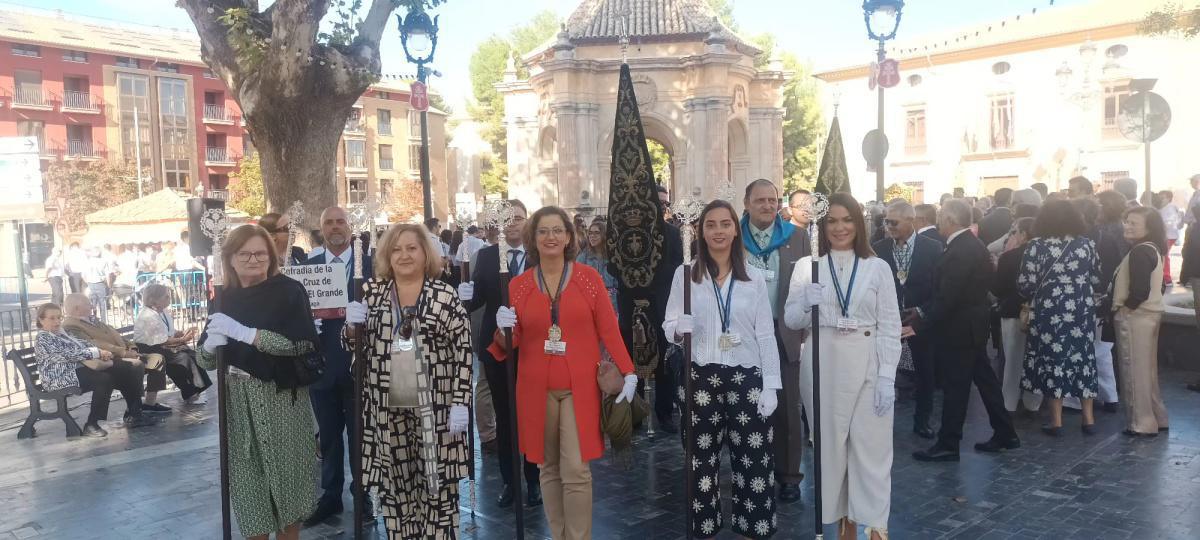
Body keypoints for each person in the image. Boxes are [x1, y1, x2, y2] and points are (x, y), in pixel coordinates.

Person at [490, 205, 638, 540]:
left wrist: (628, 371)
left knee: (575, 469)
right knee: (548, 467)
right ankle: (558, 535)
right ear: (533, 238)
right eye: (543, 231)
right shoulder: (519, 285)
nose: (550, 237)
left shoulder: (588, 279)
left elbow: (609, 328)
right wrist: (502, 329)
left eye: (557, 230)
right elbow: (506, 344)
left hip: (579, 385)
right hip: (535, 387)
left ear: (569, 236)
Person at [342, 223, 473, 538]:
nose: (404, 255)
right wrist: (349, 327)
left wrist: (461, 402)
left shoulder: (443, 294)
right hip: (386, 407)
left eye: (411, 248)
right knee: (397, 489)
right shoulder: (371, 293)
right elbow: (352, 346)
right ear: (387, 255)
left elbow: (464, 349)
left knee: (436, 486)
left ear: (425, 252)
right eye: (396, 249)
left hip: (436, 409)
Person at [784, 192, 900, 540]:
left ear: (858, 223)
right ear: (822, 224)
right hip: (823, 360)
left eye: (847, 219)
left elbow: (890, 325)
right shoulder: (808, 267)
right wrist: (807, 301)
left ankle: (876, 526)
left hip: (867, 359)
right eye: (832, 220)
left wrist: (886, 376)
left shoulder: (877, 267)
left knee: (871, 446)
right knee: (830, 448)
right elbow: (791, 320)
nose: (839, 227)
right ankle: (840, 521)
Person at [664, 199, 783, 538]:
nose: (718, 231)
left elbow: (765, 333)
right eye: (711, 224)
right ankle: (704, 528)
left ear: (736, 228)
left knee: (755, 458)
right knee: (701, 460)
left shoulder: (754, 277)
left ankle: (754, 527)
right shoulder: (685, 274)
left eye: (725, 224)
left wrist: (771, 383)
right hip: (700, 375)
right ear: (700, 231)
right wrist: (678, 328)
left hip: (747, 376)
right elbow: (669, 323)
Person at [198, 224, 322, 540]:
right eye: (245, 253)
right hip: (237, 402)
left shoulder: (289, 291)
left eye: (260, 253)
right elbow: (206, 360)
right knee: (249, 487)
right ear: (231, 258)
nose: (253, 260)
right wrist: (210, 345)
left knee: (287, 487)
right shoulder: (223, 298)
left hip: (280, 398)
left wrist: (248, 335)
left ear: (270, 256)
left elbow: (301, 343)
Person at [910, 199, 1018, 461]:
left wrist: (920, 317)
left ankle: (949, 443)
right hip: (968, 326)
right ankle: (1005, 432)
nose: (938, 221)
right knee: (985, 381)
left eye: (941, 217)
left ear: (950, 220)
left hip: (960, 328)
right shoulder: (966, 244)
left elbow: (950, 295)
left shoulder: (962, 248)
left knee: (957, 387)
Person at [457, 200, 542, 507]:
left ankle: (534, 481)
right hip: (497, 346)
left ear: (527, 221)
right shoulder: (488, 255)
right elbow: (476, 298)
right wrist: (464, 294)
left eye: (518, 218)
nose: (513, 224)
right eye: (507, 219)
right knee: (505, 416)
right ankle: (510, 481)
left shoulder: (539, 254)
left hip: (532, 346)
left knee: (530, 415)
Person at [740, 178, 809, 503]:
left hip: (784, 334)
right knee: (743, 407)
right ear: (746, 204)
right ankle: (748, 470)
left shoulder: (796, 237)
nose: (767, 205)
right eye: (760, 200)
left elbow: (809, 283)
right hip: (742, 337)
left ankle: (789, 475)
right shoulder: (733, 237)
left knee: (786, 409)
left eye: (772, 199)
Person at [304, 206, 373, 525]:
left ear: (350, 227)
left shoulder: (370, 265)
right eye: (328, 222)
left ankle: (364, 497)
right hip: (322, 368)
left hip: (361, 366)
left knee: (361, 438)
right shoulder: (308, 268)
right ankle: (330, 497)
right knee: (329, 438)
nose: (335, 227)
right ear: (321, 229)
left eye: (340, 221)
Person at [1016, 201, 1101, 435]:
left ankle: (1056, 421)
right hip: (1081, 313)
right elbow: (1096, 279)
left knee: (1054, 361)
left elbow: (1025, 285)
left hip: (1049, 313)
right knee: (1083, 360)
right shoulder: (1087, 245)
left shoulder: (1036, 246)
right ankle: (1089, 419)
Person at [874, 201, 942, 438]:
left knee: (925, 373)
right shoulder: (879, 248)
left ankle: (922, 421)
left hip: (919, 320)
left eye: (893, 222)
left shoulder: (933, 248)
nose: (888, 226)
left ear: (910, 220)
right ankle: (878, 421)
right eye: (886, 221)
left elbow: (939, 289)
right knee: (881, 369)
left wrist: (922, 315)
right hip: (886, 319)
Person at [34, 302, 155, 438]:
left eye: (59, 317)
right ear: (41, 320)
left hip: (77, 370)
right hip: (60, 378)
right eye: (52, 318)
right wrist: (95, 353)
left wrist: (101, 351)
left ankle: (135, 414)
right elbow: (66, 355)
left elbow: (84, 344)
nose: (57, 321)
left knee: (127, 368)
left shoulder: (62, 333)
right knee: (104, 379)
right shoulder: (43, 338)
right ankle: (92, 424)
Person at [1110, 207, 1170, 436]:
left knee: (1134, 371)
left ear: (1148, 227)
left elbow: (1139, 291)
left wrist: (1126, 310)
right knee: (1148, 373)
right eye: (1127, 222)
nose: (1127, 226)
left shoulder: (1139, 252)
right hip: (1151, 315)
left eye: (1133, 223)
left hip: (1137, 317)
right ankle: (1157, 416)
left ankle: (1141, 423)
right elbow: (1160, 286)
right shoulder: (1153, 249)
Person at [991, 218, 1042, 414]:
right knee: (1035, 358)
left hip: (1012, 311)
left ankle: (1009, 401)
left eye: (1015, 232)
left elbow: (997, 288)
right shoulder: (1045, 256)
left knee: (1012, 359)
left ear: (1023, 234)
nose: (1013, 235)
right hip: (1039, 312)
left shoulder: (1009, 257)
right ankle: (1033, 402)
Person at [133, 284, 212, 409]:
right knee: (182, 358)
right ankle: (190, 393)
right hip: (148, 349)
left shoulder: (162, 312)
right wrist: (182, 339)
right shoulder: (149, 316)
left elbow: (167, 331)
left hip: (159, 346)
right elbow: (162, 341)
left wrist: (179, 333)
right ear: (155, 299)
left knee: (189, 354)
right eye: (166, 297)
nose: (169, 299)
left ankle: (193, 392)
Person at [576, 219, 619, 311]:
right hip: (589, 301)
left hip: (610, 303)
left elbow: (619, 284)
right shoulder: (583, 256)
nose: (592, 236)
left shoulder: (613, 257)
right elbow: (577, 280)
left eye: (596, 233)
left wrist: (611, 293)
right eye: (590, 233)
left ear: (604, 235)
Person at [1154, 191, 1181, 285]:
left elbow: (1170, 223)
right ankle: (1165, 276)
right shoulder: (1164, 208)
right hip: (1167, 235)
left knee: (1164, 256)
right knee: (1164, 255)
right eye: (1160, 197)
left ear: (1169, 198)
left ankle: (1166, 277)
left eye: (1163, 197)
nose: (1161, 199)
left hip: (1169, 235)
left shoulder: (1170, 208)